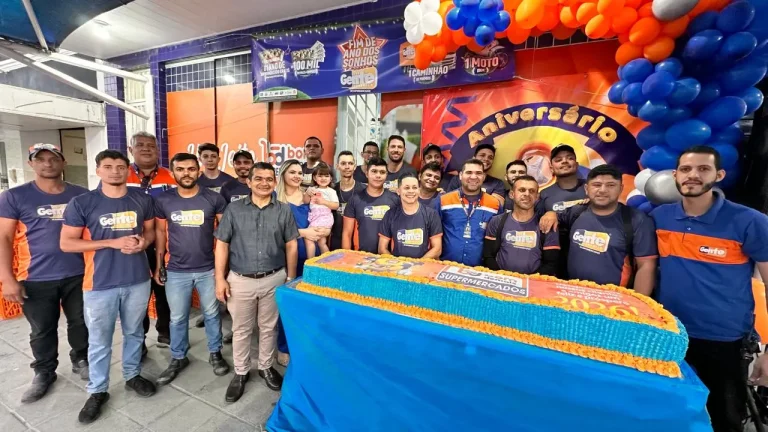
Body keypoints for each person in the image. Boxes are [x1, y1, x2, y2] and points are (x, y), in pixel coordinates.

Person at [650, 147, 768, 432]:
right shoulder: (659, 217)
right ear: (675, 175)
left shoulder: (749, 221)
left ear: (720, 175)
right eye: (686, 169)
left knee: (723, 420)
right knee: (668, 416)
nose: (693, 175)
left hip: (724, 341)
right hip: (669, 335)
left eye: (703, 169)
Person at [60, 150, 157, 424]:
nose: (115, 171)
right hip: (99, 284)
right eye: (108, 166)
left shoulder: (142, 198)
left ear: (127, 170)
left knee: (135, 332)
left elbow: (150, 231)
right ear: (98, 170)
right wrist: (111, 243)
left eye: (120, 166)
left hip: (138, 279)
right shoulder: (83, 202)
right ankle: (98, 390)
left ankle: (132, 375)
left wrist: (144, 242)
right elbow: (67, 243)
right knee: (99, 341)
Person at [0, 143, 89, 403]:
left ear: (63, 162)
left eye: (53, 159)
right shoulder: (14, 197)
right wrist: (7, 279)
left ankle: (81, 358)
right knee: (42, 329)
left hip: (79, 273)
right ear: (31, 164)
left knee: (81, 321)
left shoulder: (81, 195)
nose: (47, 164)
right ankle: (44, 371)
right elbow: (4, 238)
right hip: (35, 277)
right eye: (41, 159)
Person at [215, 162, 298, 401]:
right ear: (249, 182)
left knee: (269, 327)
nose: (264, 183)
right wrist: (219, 279)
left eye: (269, 179)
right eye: (258, 178)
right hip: (240, 280)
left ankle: (265, 367)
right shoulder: (234, 209)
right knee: (241, 329)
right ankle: (241, 372)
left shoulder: (283, 210)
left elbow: (291, 245)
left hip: (274, 278)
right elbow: (222, 244)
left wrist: (290, 278)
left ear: (275, 182)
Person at [153, 153, 230, 386]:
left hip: (208, 269)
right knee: (177, 318)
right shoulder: (164, 200)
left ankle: (215, 352)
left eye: (190, 169)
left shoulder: (213, 198)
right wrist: (159, 265)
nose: (186, 173)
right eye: (180, 169)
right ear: (172, 173)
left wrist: (223, 270)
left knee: (212, 314)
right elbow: (160, 232)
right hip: (176, 270)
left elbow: (225, 234)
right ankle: (178, 357)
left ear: (198, 171)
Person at [539, 164, 658, 294]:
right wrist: (551, 213)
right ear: (586, 189)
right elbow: (554, 217)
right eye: (596, 185)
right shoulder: (576, 212)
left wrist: (638, 303)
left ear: (621, 189)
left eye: (611, 185)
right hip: (573, 295)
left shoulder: (637, 220)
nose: (602, 190)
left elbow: (646, 265)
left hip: (615, 299)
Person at [126, 132, 175, 352]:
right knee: (138, 295)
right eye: (140, 145)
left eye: (151, 145)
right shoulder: (121, 174)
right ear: (131, 150)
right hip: (134, 245)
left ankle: (166, 332)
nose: (146, 149)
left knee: (165, 289)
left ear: (158, 150)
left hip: (166, 242)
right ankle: (140, 339)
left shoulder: (170, 176)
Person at [276, 159, 326, 367]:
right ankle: (283, 347)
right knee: (287, 304)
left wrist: (322, 231)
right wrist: (304, 232)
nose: (297, 176)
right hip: (287, 259)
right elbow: (274, 231)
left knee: (309, 305)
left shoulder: (310, 196)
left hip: (311, 258)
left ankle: (306, 345)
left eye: (299, 172)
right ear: (283, 174)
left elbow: (323, 218)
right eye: (292, 172)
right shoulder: (276, 199)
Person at [483, 175, 559, 275]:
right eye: (522, 190)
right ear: (512, 194)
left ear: (537, 197)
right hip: (501, 279)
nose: (527, 194)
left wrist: (529, 281)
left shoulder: (547, 224)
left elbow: (551, 264)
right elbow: (488, 256)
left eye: (532, 191)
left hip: (532, 282)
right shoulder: (497, 221)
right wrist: (502, 277)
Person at [436, 158, 502, 266]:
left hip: (480, 269)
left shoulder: (495, 204)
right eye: (469, 172)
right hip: (446, 266)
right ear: (460, 175)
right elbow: (434, 234)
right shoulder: (444, 200)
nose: (473, 177)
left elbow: (497, 239)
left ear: (484, 177)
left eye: (478, 173)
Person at [536, 144, 589, 278]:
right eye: (558, 160)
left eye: (569, 158)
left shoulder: (592, 188)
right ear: (551, 168)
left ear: (576, 164)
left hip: (590, 251)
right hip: (557, 258)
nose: (564, 161)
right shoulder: (545, 194)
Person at [378, 173, 443, 259]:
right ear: (398, 191)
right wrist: (395, 264)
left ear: (419, 190)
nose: (411, 191)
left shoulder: (431, 214)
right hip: (397, 265)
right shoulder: (390, 214)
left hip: (422, 265)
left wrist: (417, 264)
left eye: (414, 187)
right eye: (407, 188)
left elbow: (437, 249)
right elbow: (382, 248)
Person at [343, 157, 400, 253]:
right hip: (361, 257)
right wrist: (346, 257)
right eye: (374, 171)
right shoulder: (355, 200)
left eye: (382, 172)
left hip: (387, 258)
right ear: (367, 174)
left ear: (386, 175)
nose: (378, 175)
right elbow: (347, 234)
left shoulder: (395, 200)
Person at [331, 151, 365, 250]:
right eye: (343, 163)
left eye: (350, 163)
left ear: (355, 166)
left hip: (358, 244)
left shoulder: (364, 190)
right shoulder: (331, 190)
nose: (347, 167)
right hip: (334, 243)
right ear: (337, 166)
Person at [304, 162, 338, 258]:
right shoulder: (312, 189)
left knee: (308, 238)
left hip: (324, 218)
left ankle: (310, 262)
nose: (323, 178)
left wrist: (323, 202)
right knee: (322, 242)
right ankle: (327, 262)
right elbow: (305, 201)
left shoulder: (331, 191)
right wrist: (307, 193)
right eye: (320, 176)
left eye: (326, 176)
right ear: (314, 178)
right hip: (315, 218)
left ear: (331, 178)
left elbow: (336, 205)